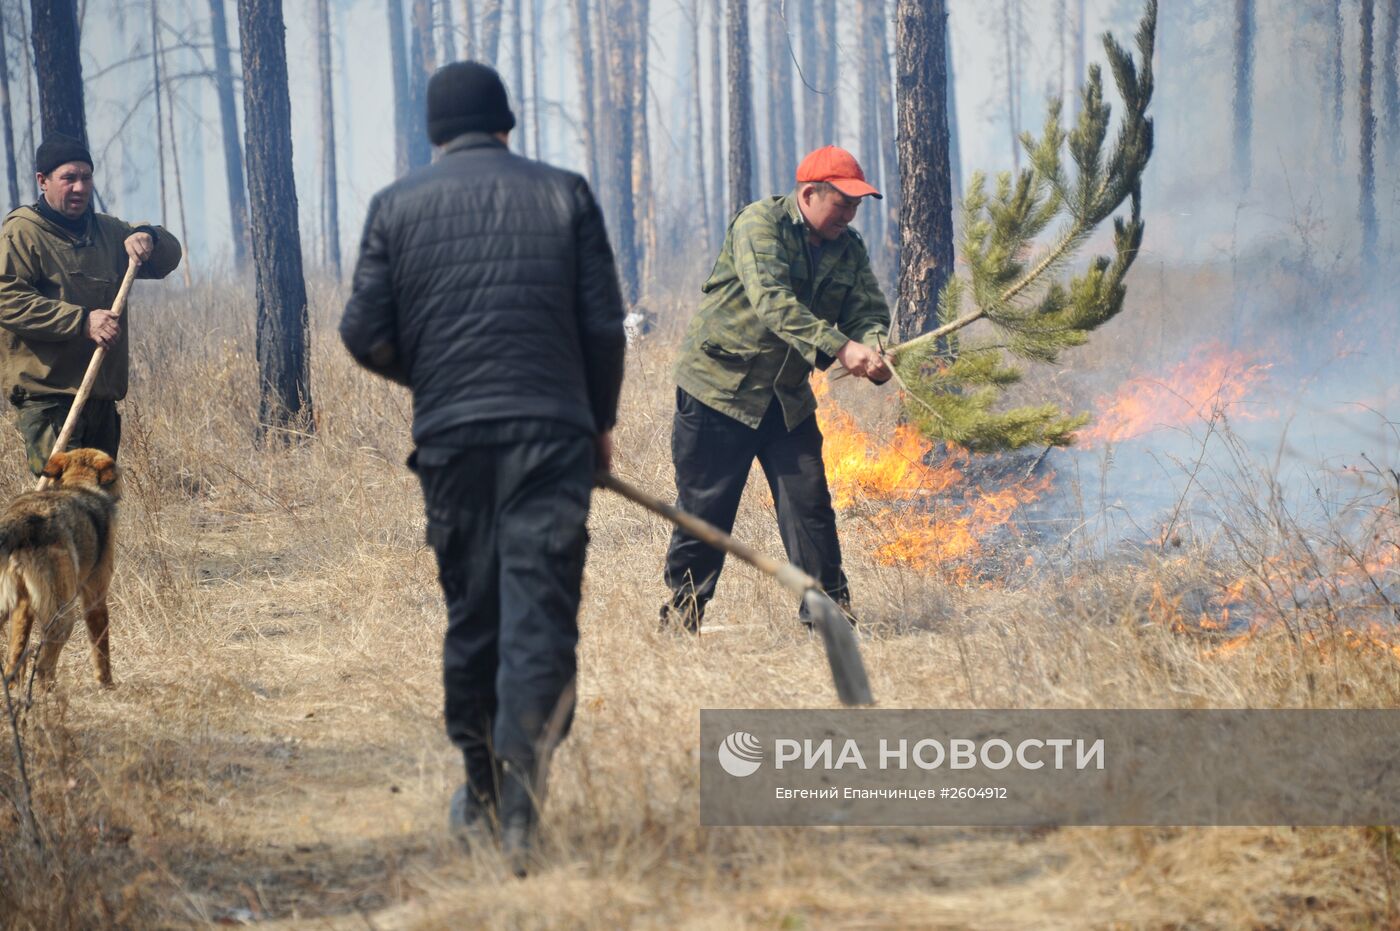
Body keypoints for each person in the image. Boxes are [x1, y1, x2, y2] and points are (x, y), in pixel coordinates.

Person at [339, 61, 626, 876]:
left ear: (435, 134)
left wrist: (436, 378)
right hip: (552, 436)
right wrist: (596, 421)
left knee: (475, 613)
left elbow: (363, 331)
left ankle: (481, 790)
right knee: (538, 613)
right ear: (507, 121)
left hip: (453, 443)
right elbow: (604, 326)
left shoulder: (394, 206)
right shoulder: (565, 191)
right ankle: (522, 808)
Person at [662, 145, 892, 633]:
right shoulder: (759, 225)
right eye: (842, 203)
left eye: (856, 205)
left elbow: (867, 310)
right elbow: (774, 303)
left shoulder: (848, 248)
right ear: (809, 194)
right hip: (718, 392)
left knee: (809, 507)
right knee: (706, 512)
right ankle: (682, 618)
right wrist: (841, 348)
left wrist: (872, 347)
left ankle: (830, 620)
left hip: (785, 401)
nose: (850, 215)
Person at [0, 133, 182, 475]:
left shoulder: (108, 232)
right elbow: (6, 299)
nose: (80, 187)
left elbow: (167, 258)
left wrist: (149, 237)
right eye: (69, 178)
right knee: (66, 505)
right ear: (43, 181)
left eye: (86, 177)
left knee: (99, 508)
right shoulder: (22, 233)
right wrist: (82, 321)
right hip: (50, 397)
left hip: (99, 395)